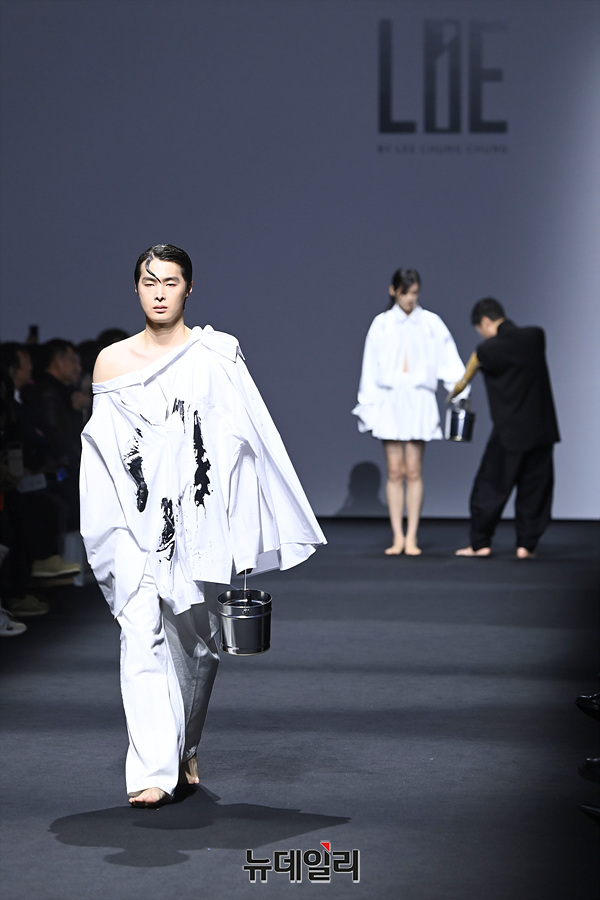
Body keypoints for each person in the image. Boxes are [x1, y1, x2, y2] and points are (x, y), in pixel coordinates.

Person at [80, 243, 326, 808]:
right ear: (136, 288)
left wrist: (247, 528)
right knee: (139, 633)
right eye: (150, 282)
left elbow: (251, 441)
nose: (159, 292)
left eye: (170, 282)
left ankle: (186, 745)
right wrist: (105, 518)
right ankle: (152, 770)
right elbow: (102, 449)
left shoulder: (217, 355)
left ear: (189, 289)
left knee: (195, 647)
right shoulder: (111, 362)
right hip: (130, 520)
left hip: (197, 519)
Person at [352, 268, 468, 555]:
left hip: (419, 399)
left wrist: (459, 392)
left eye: (414, 292)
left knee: (414, 470)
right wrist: (367, 405)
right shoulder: (381, 324)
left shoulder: (431, 323)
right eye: (405, 293)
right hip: (389, 399)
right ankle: (397, 537)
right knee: (395, 471)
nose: (410, 298)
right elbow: (369, 367)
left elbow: (449, 359)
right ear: (393, 291)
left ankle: (412, 536)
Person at [449, 298, 560, 558]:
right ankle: (526, 546)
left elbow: (469, 372)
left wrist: (458, 388)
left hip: (509, 430)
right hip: (541, 428)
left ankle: (480, 543)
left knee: (490, 486)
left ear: (485, 322)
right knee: (536, 488)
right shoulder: (535, 337)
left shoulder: (487, 350)